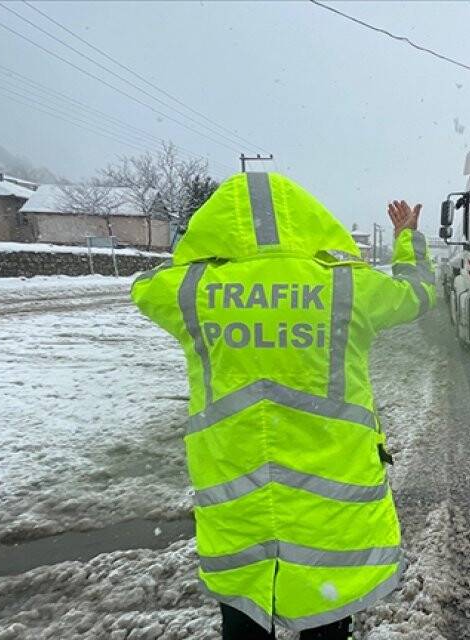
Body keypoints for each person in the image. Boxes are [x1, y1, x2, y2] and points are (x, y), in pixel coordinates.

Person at [131, 172, 436, 639]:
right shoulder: (348, 288)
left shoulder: (193, 292)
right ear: (307, 220)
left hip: (240, 510)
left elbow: (146, 285)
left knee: (244, 618)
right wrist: (406, 239)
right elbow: (419, 293)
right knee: (327, 619)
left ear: (220, 225)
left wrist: (203, 250)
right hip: (330, 510)